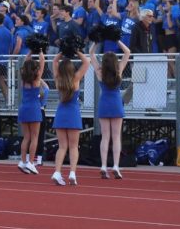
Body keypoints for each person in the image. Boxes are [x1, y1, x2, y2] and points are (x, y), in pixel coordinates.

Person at [50, 47, 90, 186]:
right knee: (73, 147)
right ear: (72, 69)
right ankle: (72, 173)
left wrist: (62, 50)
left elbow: (55, 61)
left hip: (61, 114)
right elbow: (86, 62)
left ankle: (57, 171)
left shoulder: (58, 79)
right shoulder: (76, 78)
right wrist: (77, 49)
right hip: (73, 114)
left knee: (62, 147)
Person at [94, 42, 131, 179]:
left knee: (105, 137)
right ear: (115, 61)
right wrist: (117, 41)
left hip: (104, 103)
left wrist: (96, 42)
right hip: (116, 103)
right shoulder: (119, 70)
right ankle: (115, 165)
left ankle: (103, 165)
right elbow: (127, 52)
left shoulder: (99, 72)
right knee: (116, 137)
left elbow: (91, 54)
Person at [16, 52, 46, 174]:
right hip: (34, 109)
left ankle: (23, 161)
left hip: (23, 108)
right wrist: (39, 51)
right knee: (34, 137)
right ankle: (31, 163)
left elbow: (24, 64)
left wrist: (29, 52)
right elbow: (42, 61)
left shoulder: (23, 79)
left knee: (26, 137)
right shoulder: (37, 78)